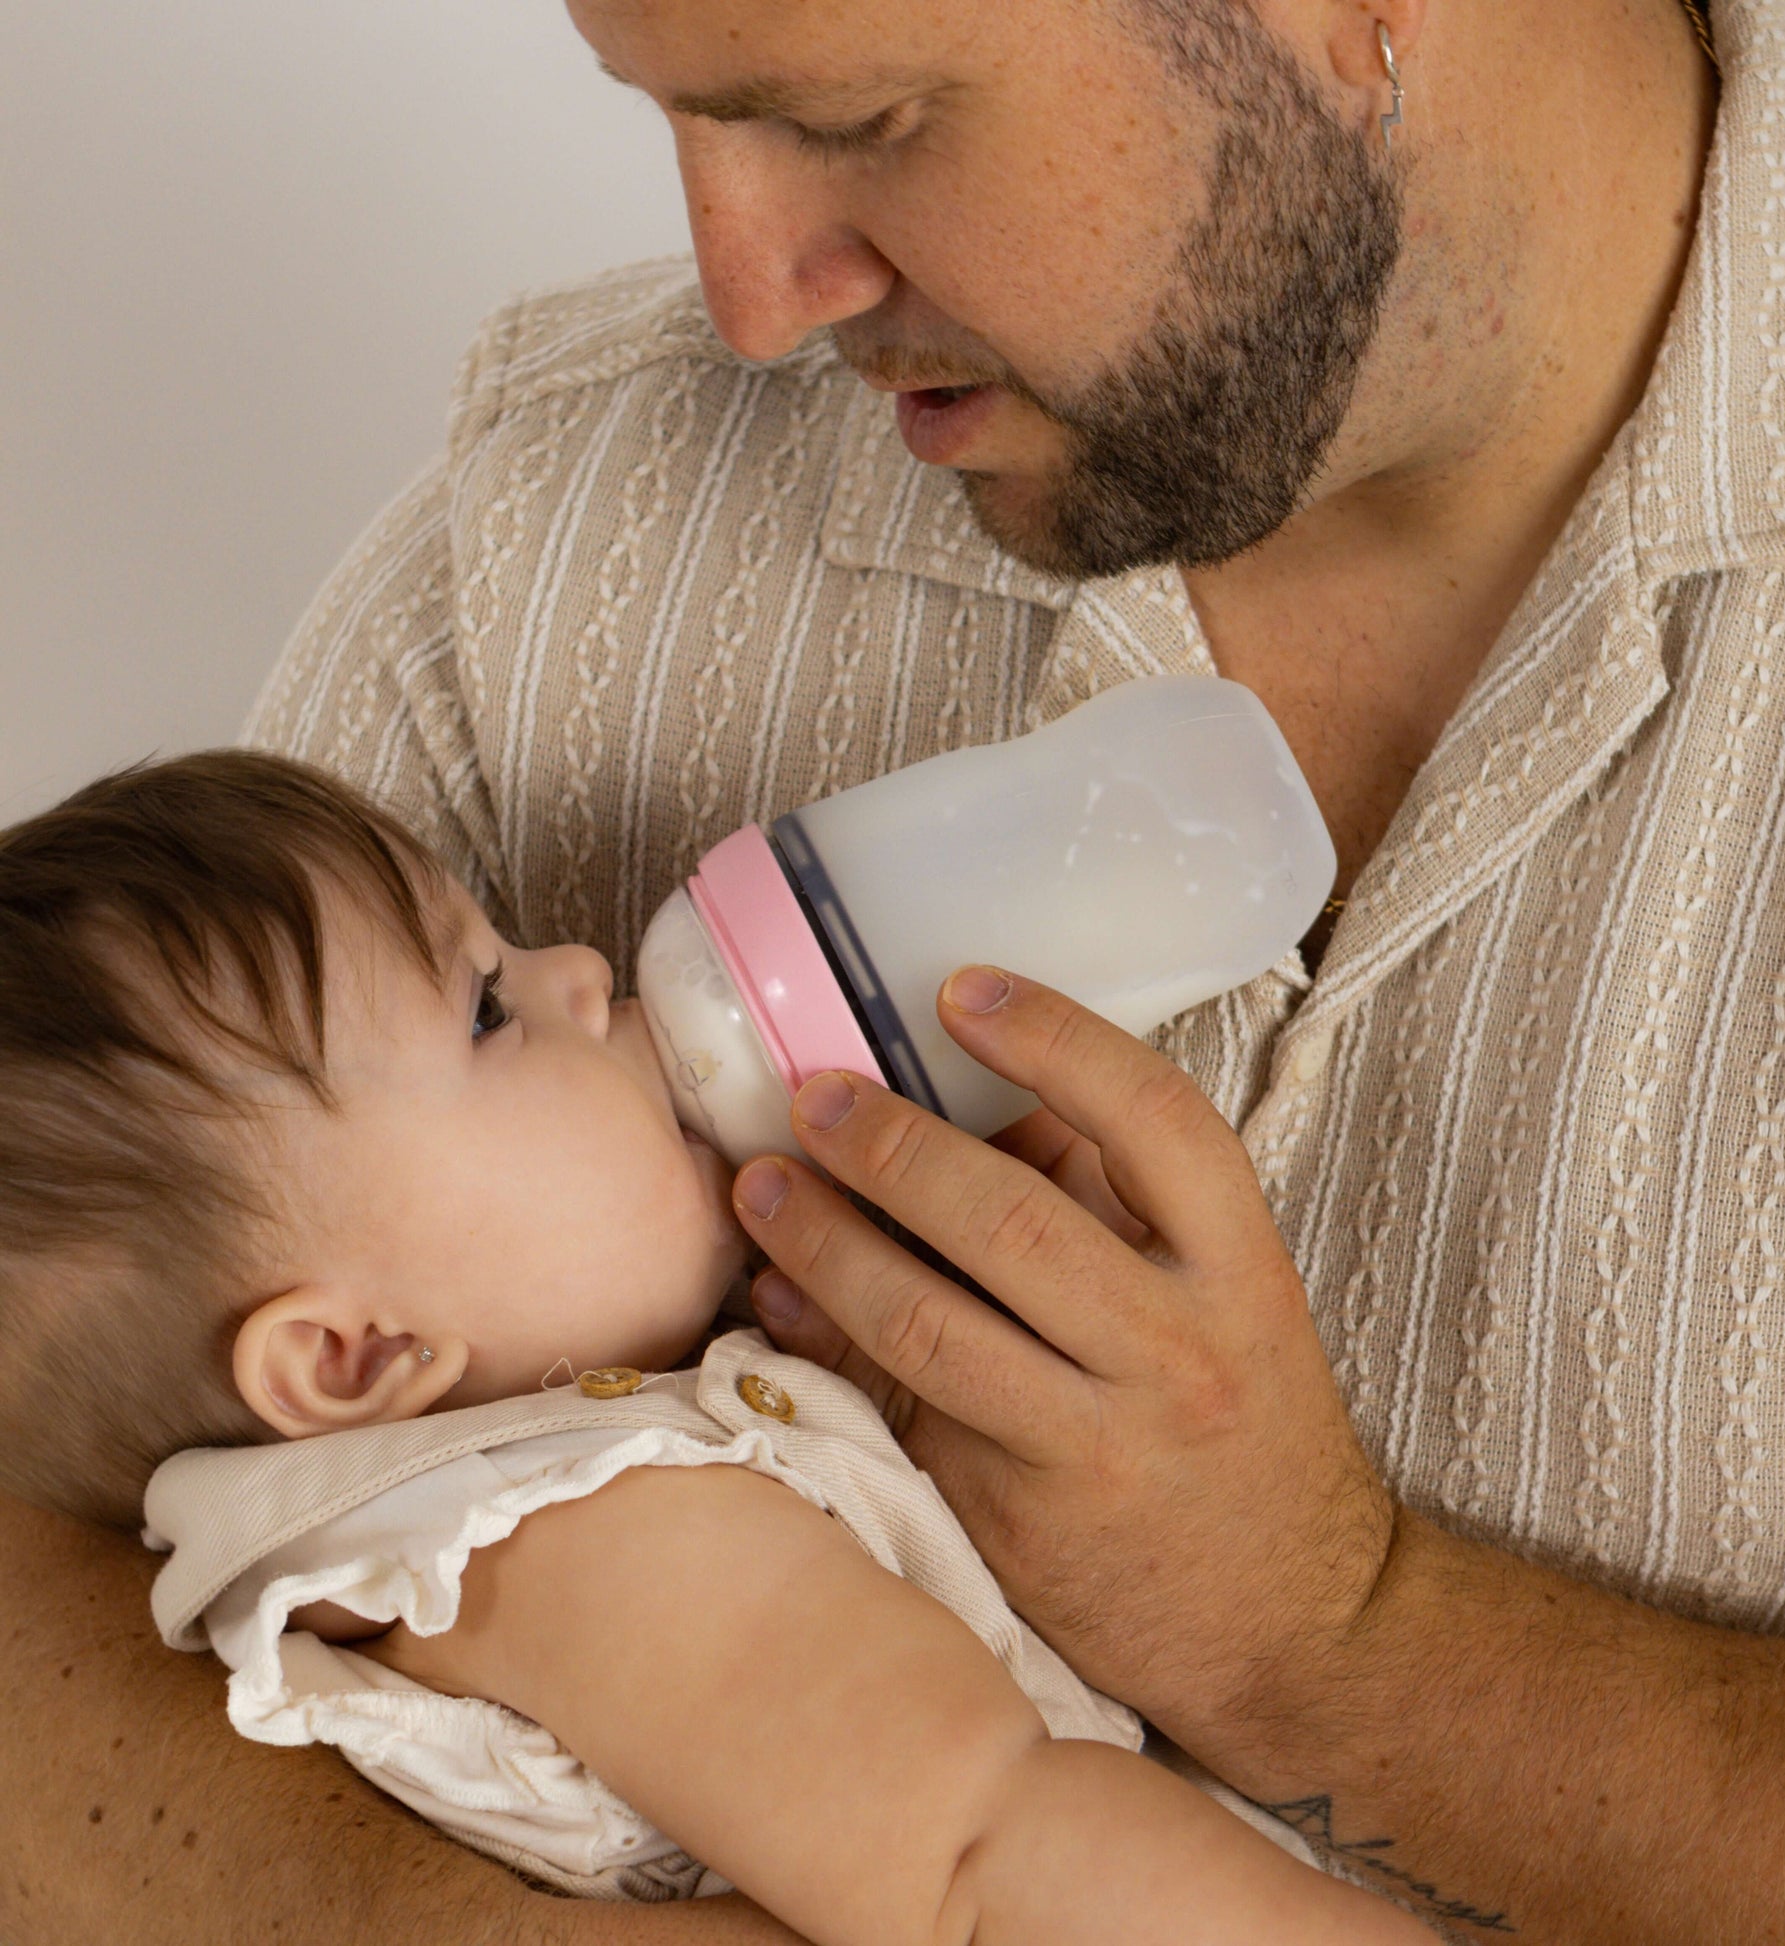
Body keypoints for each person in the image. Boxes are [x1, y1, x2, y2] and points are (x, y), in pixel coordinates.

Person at [7, 0, 1785, 1938]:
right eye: (673, 116)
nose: (751, 300)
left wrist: (1339, 1633)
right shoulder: (544, 536)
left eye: (862, 116)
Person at [0, 749, 1427, 1946]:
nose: (578, 967)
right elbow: (983, 1858)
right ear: (355, 1358)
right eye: (487, 1009)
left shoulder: (452, 1535)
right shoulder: (579, 1528)